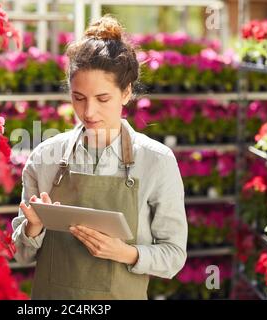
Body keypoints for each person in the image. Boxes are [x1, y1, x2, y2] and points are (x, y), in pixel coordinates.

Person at [11, 15, 187, 300]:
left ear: (126, 92)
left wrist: (126, 253)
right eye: (78, 97)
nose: (89, 112)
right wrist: (34, 226)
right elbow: (20, 255)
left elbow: (174, 255)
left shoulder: (156, 161)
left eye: (102, 99)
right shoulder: (46, 157)